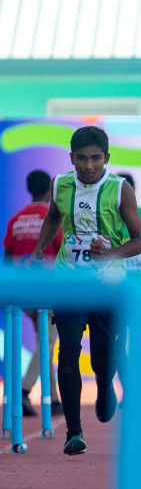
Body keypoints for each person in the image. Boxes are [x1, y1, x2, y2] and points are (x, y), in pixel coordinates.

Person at [28, 127, 141, 456]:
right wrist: (40, 250)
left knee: (103, 358)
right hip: (69, 281)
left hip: (109, 285)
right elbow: (53, 217)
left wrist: (108, 253)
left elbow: (139, 241)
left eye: (96, 158)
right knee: (66, 349)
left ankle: (106, 383)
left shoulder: (121, 190)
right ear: (71, 158)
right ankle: (74, 431)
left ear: (107, 158)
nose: (89, 164)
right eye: (81, 157)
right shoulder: (61, 184)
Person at [4, 169, 62, 415]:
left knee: (44, 345)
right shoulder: (53, 218)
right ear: (50, 191)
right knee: (48, 343)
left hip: (23, 292)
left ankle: (55, 400)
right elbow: (63, 255)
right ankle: (23, 391)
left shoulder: (16, 219)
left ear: (29, 189)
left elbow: (7, 260)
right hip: (48, 292)